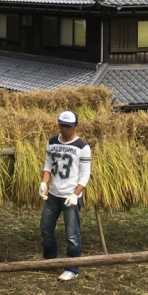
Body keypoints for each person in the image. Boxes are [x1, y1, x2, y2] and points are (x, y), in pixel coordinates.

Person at [39, 110, 91, 283]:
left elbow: (85, 174)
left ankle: (72, 268)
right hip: (53, 194)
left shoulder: (82, 147)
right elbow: (48, 164)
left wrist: (76, 194)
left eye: (68, 126)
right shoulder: (52, 142)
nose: (64, 129)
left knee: (72, 234)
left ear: (75, 126)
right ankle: (50, 260)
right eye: (62, 125)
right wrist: (44, 182)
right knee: (46, 228)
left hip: (70, 196)